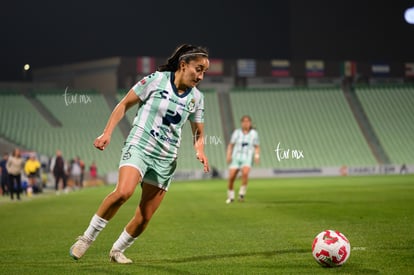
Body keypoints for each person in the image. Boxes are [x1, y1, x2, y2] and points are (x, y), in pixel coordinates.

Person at [69, 44, 210, 264]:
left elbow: (198, 133)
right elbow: (124, 104)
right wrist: (107, 133)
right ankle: (86, 238)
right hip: (140, 145)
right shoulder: (156, 80)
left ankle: (117, 251)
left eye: (204, 72)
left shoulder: (197, 99)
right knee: (124, 192)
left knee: (144, 217)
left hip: (166, 158)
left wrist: (199, 150)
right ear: (183, 65)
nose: (201, 76)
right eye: (198, 69)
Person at [226, 115, 260, 203]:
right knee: (231, 177)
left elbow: (256, 146)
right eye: (244, 121)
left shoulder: (254, 133)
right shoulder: (236, 132)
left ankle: (241, 194)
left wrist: (256, 156)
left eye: (248, 121)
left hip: (247, 157)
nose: (246, 123)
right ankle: (231, 197)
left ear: (250, 123)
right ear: (241, 123)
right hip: (236, 157)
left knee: (245, 173)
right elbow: (231, 145)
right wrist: (228, 155)